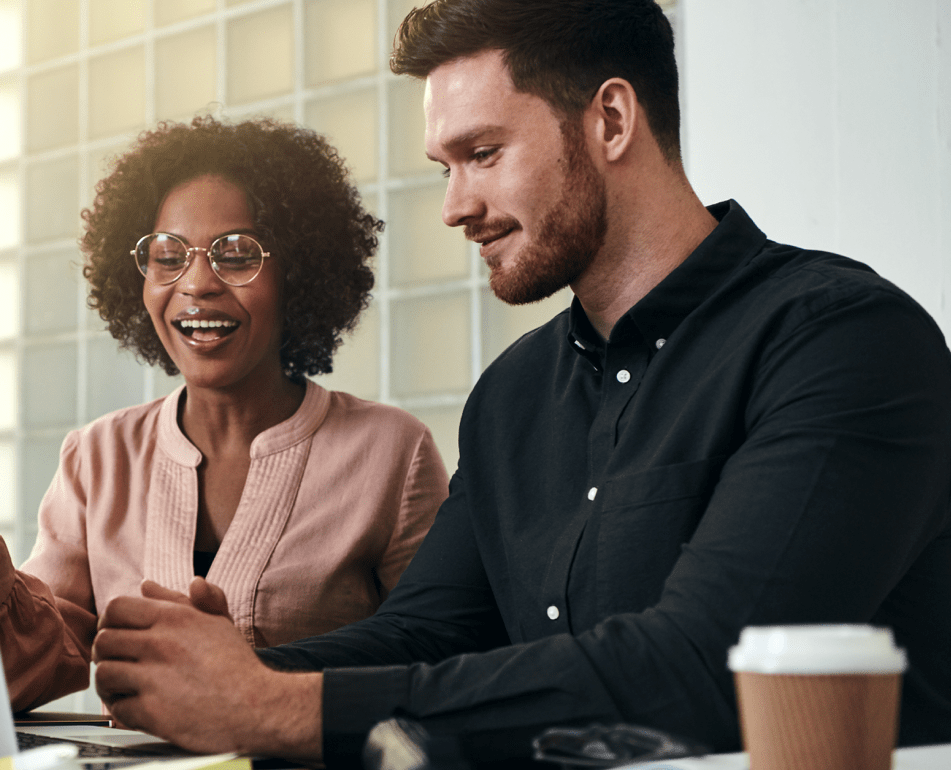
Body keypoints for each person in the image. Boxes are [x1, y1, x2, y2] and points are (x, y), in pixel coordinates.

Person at [89, 0, 951, 766]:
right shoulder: (512, 395)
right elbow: (429, 632)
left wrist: (269, 705)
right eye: (445, 167)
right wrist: (215, 673)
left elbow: (704, 664)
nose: (455, 206)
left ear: (611, 119)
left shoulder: (843, 340)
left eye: (483, 153)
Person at [0, 116, 450, 712]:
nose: (196, 283)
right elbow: (31, 664)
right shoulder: (97, 457)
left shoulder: (391, 453)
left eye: (237, 254)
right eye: (168, 255)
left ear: (295, 272)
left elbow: (440, 659)